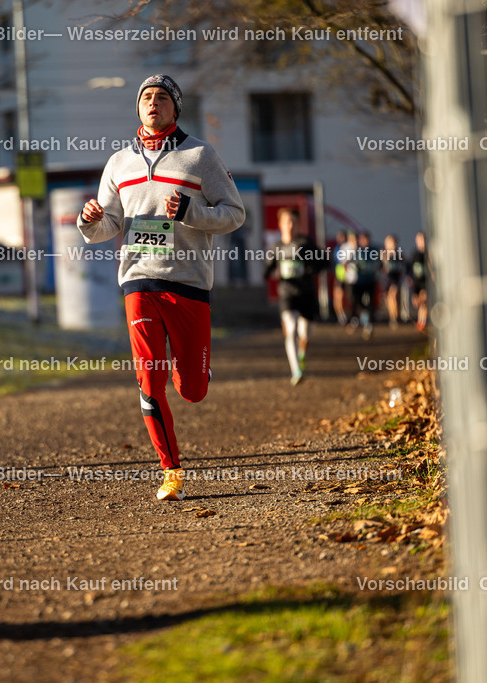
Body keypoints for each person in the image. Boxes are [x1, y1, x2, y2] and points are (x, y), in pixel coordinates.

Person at [77, 74, 244, 501]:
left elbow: (234, 213)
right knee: (149, 381)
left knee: (192, 390)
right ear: (138, 109)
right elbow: (108, 225)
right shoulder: (118, 163)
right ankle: (171, 470)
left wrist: (192, 212)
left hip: (188, 282)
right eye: (146, 98)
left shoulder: (199, 156)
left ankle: (192, 368)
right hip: (139, 279)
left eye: (162, 97)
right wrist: (91, 220)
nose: (153, 103)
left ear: (176, 108)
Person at [264, 208, 324, 385]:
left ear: (297, 224)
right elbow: (267, 269)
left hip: (306, 293)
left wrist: (310, 269)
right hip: (287, 293)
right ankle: (296, 370)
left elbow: (323, 262)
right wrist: (270, 272)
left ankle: (302, 354)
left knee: (305, 332)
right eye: (286, 222)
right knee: (290, 328)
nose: (289, 226)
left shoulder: (306, 243)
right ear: (280, 225)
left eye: (293, 222)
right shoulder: (276, 247)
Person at [349, 231, 379, 339]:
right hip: (359, 282)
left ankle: (368, 325)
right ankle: (358, 320)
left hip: (369, 281)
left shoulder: (373, 250)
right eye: (362, 239)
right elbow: (351, 263)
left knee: (369, 303)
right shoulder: (357, 251)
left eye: (366, 239)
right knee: (357, 302)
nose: (364, 241)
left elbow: (377, 264)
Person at [379, 234, 404, 328]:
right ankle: (392, 317)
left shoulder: (399, 254)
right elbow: (381, 266)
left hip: (395, 278)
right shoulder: (383, 254)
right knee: (389, 298)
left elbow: (403, 265)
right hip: (386, 279)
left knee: (394, 295)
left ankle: (396, 317)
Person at [410, 231, 429, 332]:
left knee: (424, 302)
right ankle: (420, 321)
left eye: (423, 240)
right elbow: (410, 269)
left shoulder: (429, 254)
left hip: (426, 282)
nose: (422, 242)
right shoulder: (414, 255)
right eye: (419, 240)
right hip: (417, 283)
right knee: (420, 304)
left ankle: (423, 322)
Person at [331, 230, 349, 325]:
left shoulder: (346, 248)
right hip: (339, 276)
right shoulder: (337, 248)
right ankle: (340, 315)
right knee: (338, 296)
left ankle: (344, 314)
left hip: (346, 277)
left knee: (345, 297)